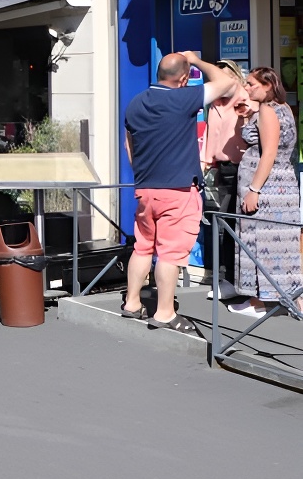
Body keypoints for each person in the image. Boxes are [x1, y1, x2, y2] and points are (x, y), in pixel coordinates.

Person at [122, 52, 236, 331]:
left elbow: (130, 147)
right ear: (184, 78)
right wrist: (195, 60)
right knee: (170, 254)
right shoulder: (184, 98)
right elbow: (226, 82)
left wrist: (145, 175)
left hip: (146, 189)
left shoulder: (135, 104)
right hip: (178, 190)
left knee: (143, 247)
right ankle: (164, 313)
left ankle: (132, 303)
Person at [231, 66, 303, 318]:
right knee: (281, 246)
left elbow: (269, 152)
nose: (248, 88)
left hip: (269, 187)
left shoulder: (268, 111)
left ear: (268, 86)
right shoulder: (283, 109)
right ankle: (284, 299)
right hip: (283, 184)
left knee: (260, 243)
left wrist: (254, 189)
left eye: (251, 84)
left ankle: (260, 303)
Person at [200, 60, 251, 296]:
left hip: (243, 167)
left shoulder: (241, 97)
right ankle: (228, 278)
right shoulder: (214, 105)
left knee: (237, 223)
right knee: (224, 222)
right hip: (222, 168)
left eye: (223, 74)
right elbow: (211, 135)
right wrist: (206, 162)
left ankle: (238, 279)